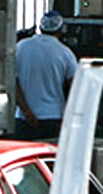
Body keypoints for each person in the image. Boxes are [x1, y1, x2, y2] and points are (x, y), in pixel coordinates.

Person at [14, 10, 77, 140]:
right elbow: (74, 88)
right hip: (53, 116)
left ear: (40, 27)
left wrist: (26, 111)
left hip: (23, 118)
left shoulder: (20, 47)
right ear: (60, 30)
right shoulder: (66, 53)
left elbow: (13, 83)